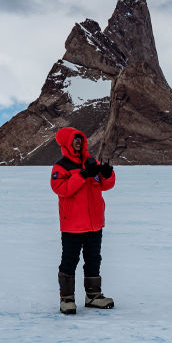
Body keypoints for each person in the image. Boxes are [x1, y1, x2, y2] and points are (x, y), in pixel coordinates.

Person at [50, 126, 116, 314]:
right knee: (69, 260)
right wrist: (83, 175)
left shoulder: (91, 161)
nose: (78, 142)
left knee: (94, 259)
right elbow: (62, 189)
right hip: (72, 224)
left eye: (80, 139)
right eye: (74, 140)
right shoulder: (61, 167)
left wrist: (107, 174)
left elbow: (105, 185)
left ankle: (93, 296)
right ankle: (67, 299)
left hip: (94, 223)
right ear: (66, 143)